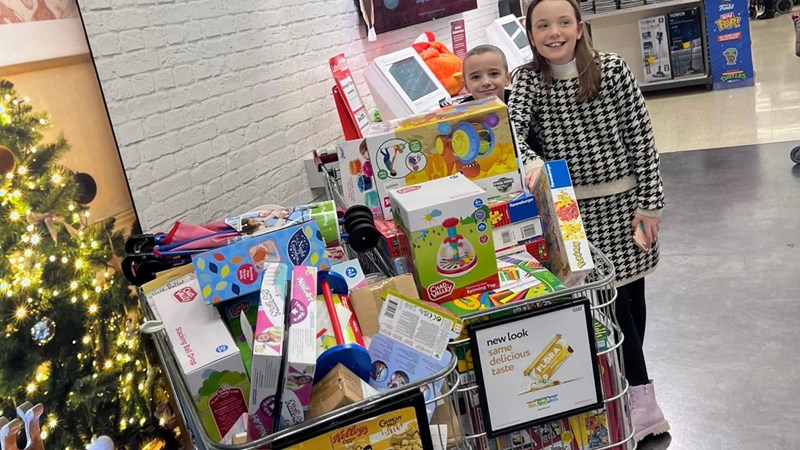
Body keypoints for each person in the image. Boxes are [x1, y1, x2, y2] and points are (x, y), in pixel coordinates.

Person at [507, 0, 669, 442]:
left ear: (580, 28)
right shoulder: (528, 82)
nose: (554, 32)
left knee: (633, 299)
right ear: (530, 34)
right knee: (611, 304)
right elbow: (513, 132)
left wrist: (650, 204)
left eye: (563, 22)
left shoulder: (611, 70)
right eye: (543, 25)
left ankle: (630, 385)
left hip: (626, 205)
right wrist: (534, 166)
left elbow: (642, 137)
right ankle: (642, 398)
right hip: (572, 215)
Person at [461, 45, 545, 157]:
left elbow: (539, 150)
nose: (486, 82)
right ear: (466, 85)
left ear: (507, 78)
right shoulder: (460, 117)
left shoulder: (522, 107)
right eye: (476, 77)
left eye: (493, 74)